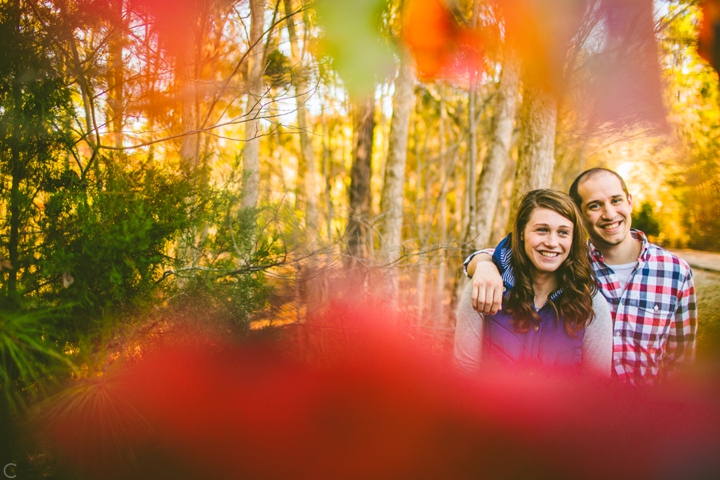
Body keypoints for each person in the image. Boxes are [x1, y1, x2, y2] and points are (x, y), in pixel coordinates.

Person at [463, 168, 697, 386]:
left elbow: (681, 362)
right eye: (595, 206)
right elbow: (510, 257)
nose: (609, 213)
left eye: (616, 200)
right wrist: (483, 264)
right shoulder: (568, 261)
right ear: (580, 215)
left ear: (629, 201)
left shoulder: (675, 271)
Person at [454, 189, 613, 377]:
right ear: (521, 233)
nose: (552, 242)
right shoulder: (483, 288)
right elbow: (463, 377)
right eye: (542, 230)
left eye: (563, 232)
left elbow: (595, 391)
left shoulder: (591, 305)